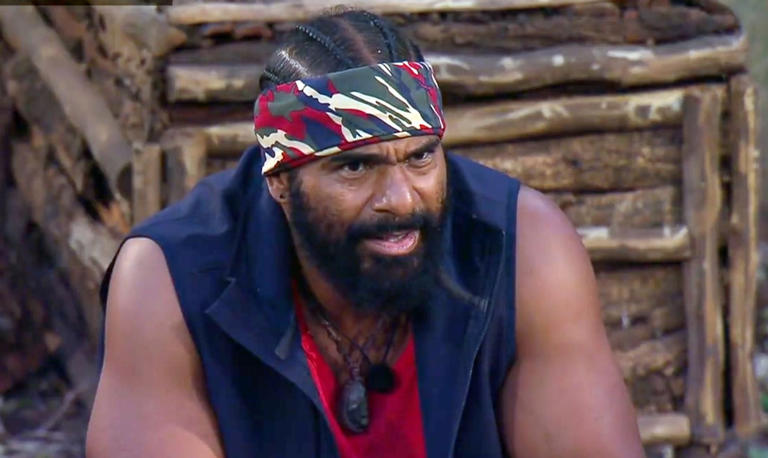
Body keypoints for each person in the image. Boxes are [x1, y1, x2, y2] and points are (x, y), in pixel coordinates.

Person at [86, 9, 644, 458]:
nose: (400, 199)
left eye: (420, 158)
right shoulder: (172, 277)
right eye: (355, 167)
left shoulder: (521, 246)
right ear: (279, 181)